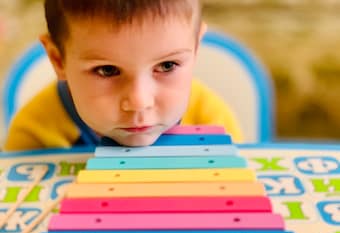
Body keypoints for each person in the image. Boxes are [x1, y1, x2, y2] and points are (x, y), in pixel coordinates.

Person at [3, 0, 243, 151]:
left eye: (167, 65)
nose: (140, 102)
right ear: (58, 60)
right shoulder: (33, 138)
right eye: (107, 70)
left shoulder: (213, 124)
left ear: (196, 48)